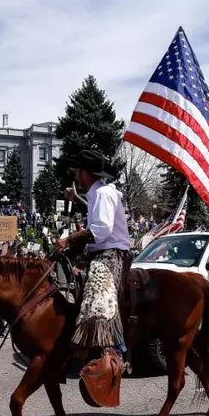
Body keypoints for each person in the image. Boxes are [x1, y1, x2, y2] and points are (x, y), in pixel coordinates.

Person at [58, 149, 132, 365]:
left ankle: (116, 350)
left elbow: (101, 229)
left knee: (98, 293)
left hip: (111, 252)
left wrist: (70, 239)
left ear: (86, 172)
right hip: (98, 250)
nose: (75, 174)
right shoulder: (98, 193)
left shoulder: (103, 193)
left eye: (78, 170)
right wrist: (76, 198)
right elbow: (94, 212)